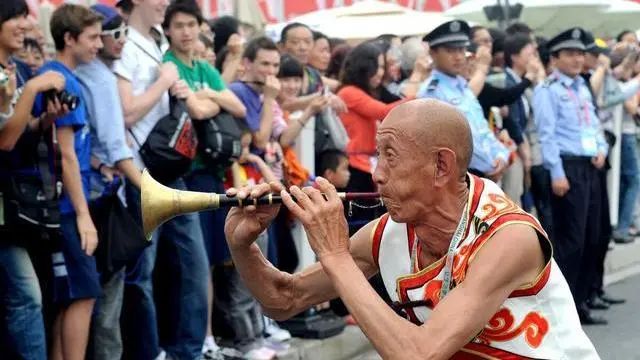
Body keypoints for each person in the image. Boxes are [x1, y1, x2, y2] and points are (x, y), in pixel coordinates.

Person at [222, 98, 600, 359]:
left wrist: (335, 254)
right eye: (376, 154)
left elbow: (419, 354)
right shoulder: (388, 233)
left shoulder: (510, 237)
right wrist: (243, 246)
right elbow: (283, 300)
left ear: (441, 166)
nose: (376, 172)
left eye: (390, 155)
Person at [113, 0, 209, 358]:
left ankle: (188, 351)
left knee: (193, 267)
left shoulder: (156, 43)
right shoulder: (123, 44)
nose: (164, 4)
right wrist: (165, 82)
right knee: (143, 275)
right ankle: (148, 351)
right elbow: (124, 113)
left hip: (172, 172)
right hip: (139, 176)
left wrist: (178, 92)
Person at [160, 2, 247, 358]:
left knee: (207, 260)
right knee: (190, 264)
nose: (185, 32)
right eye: (178, 25)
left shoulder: (202, 67)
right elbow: (196, 111)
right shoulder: (168, 63)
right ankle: (193, 343)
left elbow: (237, 106)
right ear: (168, 29)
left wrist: (209, 95)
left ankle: (203, 340)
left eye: (191, 25)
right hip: (183, 172)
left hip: (211, 172)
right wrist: (216, 99)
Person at [30, 4, 104, 360]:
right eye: (92, 38)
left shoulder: (57, 75)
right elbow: (67, 155)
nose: (99, 45)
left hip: (60, 204)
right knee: (84, 294)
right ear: (69, 38)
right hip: (64, 207)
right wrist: (83, 215)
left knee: (69, 296)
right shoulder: (60, 79)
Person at [0, 1, 66, 358]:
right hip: (5, 204)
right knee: (26, 296)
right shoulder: (25, 78)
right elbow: (4, 139)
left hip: (20, 203)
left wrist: (46, 121)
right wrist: (32, 90)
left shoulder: (19, 70)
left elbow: (18, 129)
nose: (24, 25)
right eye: (14, 17)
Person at [74, 5, 141, 360]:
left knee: (89, 295)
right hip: (102, 197)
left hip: (86, 194)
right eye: (115, 35)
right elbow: (116, 148)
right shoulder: (97, 77)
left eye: (124, 33)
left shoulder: (79, 73)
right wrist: (147, 186)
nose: (122, 42)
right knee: (107, 293)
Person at [532, 27, 609, 326]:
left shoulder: (581, 87)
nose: (578, 59)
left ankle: (581, 300)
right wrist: (557, 172)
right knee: (571, 240)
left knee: (592, 235)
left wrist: (601, 147)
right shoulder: (547, 90)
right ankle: (561, 307)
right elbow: (547, 134)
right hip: (567, 167)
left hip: (590, 164)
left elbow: (593, 124)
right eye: (570, 54)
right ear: (555, 58)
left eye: (580, 53)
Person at [418, 20, 509, 181]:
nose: (458, 57)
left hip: (483, 173)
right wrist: (490, 164)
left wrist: (501, 155)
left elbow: (481, 130)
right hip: (460, 176)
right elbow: (449, 144)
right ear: (433, 53)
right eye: (450, 51)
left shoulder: (463, 87)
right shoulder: (431, 92)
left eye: (461, 49)